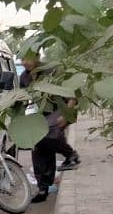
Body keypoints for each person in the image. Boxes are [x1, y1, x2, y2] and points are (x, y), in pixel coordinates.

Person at [19, 54, 80, 202]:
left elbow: (72, 94)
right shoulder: (24, 77)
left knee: (48, 131)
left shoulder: (52, 70)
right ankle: (42, 189)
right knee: (38, 146)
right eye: (22, 59)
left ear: (37, 57)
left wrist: (66, 114)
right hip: (42, 113)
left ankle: (71, 155)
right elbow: (22, 97)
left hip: (61, 108)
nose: (25, 62)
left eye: (28, 59)